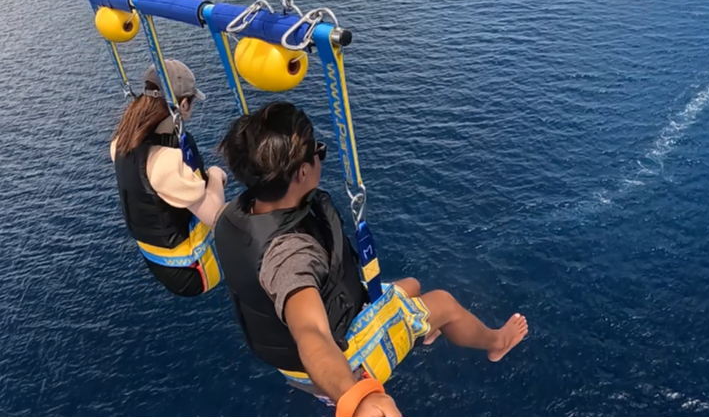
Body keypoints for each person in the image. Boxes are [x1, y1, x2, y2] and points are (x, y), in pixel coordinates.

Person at [214, 101, 528, 415]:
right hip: (340, 364)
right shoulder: (290, 258)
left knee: (412, 285)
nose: (321, 157)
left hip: (319, 329)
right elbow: (312, 333)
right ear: (302, 172)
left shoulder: (236, 214)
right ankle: (496, 344)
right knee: (444, 303)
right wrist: (358, 397)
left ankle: (423, 326)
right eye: (318, 151)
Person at [111, 59, 227, 297]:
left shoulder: (120, 144)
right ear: (183, 105)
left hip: (157, 260)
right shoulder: (166, 165)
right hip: (193, 272)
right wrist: (215, 176)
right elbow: (215, 216)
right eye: (192, 103)